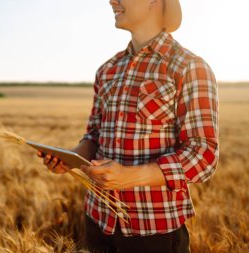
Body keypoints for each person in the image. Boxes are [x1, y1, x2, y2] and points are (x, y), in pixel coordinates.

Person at [37, 0, 219, 252]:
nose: (111, 0)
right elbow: (94, 136)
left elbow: (203, 155)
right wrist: (72, 158)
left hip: (155, 230)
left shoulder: (189, 67)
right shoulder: (107, 70)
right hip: (98, 221)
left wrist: (131, 177)